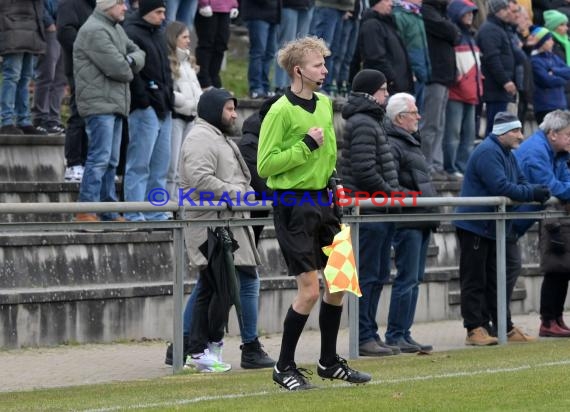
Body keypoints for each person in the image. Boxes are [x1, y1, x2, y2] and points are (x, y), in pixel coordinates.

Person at [258, 36, 371, 390]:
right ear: (298, 71)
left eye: (324, 63)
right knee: (308, 291)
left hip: (326, 203)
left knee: (339, 282)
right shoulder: (279, 110)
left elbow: (331, 153)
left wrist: (336, 184)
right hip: (293, 204)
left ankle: (328, 361)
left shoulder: (324, 103)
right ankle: (283, 367)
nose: (324, 69)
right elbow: (265, 165)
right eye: (318, 65)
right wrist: (305, 145)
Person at [178, 88, 275, 372]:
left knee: (215, 287)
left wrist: (241, 192)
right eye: (229, 109)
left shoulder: (215, 136)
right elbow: (199, 177)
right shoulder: (200, 137)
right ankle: (198, 351)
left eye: (234, 109)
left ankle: (204, 349)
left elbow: (233, 176)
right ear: (212, 110)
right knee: (215, 288)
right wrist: (235, 193)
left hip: (224, 222)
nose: (234, 114)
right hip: (210, 223)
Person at [454, 112, 550, 346]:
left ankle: (502, 326)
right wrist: (532, 193)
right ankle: (474, 329)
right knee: (474, 279)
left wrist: (529, 190)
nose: (521, 135)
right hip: (476, 225)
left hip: (491, 226)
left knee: (494, 279)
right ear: (503, 133)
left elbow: (520, 181)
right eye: (516, 131)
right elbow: (502, 186)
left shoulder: (506, 152)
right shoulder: (488, 151)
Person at [339, 69, 400, 357]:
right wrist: (391, 192)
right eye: (383, 89)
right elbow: (364, 169)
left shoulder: (370, 121)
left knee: (376, 274)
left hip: (376, 208)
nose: (386, 94)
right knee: (367, 275)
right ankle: (364, 336)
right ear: (370, 92)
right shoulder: (364, 122)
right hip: (368, 209)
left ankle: (370, 333)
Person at [73, 0, 145, 223]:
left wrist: (130, 58)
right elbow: (120, 69)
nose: (125, 8)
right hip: (98, 104)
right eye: (120, 3)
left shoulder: (115, 28)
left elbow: (139, 52)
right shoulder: (95, 30)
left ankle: (108, 210)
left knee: (112, 161)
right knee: (99, 158)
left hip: (113, 104)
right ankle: (86, 209)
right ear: (107, 6)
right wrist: (129, 61)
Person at [384, 92, 438, 353]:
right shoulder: (394, 145)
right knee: (407, 279)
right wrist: (419, 198)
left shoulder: (409, 141)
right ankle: (396, 334)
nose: (418, 117)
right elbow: (392, 187)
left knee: (415, 279)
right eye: (414, 113)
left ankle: (404, 332)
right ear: (400, 117)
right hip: (408, 220)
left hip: (421, 217)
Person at [514, 110, 570, 337]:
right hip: (512, 220)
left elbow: (564, 179)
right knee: (555, 267)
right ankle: (547, 320)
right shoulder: (536, 151)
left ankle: (555, 318)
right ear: (553, 134)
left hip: (536, 218)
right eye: (568, 135)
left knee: (562, 267)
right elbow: (549, 186)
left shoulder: (557, 151)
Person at [123, 0, 173, 222]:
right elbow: (133, 72)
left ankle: (155, 211)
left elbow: (166, 71)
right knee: (139, 164)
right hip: (145, 109)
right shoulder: (131, 33)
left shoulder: (159, 34)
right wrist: (143, 101)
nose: (163, 16)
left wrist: (169, 97)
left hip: (164, 107)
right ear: (146, 12)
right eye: (159, 12)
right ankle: (134, 211)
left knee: (160, 166)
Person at [420, 0, 461, 181]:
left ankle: (436, 164)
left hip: (444, 78)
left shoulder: (441, 12)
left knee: (440, 126)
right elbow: (452, 32)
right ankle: (425, 165)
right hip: (433, 77)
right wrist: (451, 30)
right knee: (430, 125)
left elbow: (455, 34)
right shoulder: (427, 10)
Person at [57, 0, 96, 182]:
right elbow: (65, 32)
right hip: (78, 67)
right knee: (78, 115)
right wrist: (89, 52)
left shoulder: (98, 5)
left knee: (92, 117)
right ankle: (73, 164)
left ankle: (87, 162)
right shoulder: (70, 4)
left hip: (97, 69)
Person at [443, 0, 482, 178]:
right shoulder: (454, 35)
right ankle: (450, 167)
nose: (470, 15)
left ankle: (463, 166)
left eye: (471, 12)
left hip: (471, 92)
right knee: (453, 133)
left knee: (468, 135)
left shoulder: (471, 36)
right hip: (456, 92)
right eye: (466, 12)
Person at [165, 21, 202, 207]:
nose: (189, 41)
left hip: (191, 118)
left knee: (184, 165)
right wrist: (186, 103)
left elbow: (195, 88)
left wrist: (199, 101)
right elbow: (169, 91)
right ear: (174, 38)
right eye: (184, 37)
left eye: (189, 37)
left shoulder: (189, 61)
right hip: (176, 118)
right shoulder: (169, 60)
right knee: (172, 165)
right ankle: (167, 201)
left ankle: (179, 201)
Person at [0, 0, 48, 135]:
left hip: (31, 29)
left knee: (25, 79)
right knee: (12, 77)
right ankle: (7, 121)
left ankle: (24, 120)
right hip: (13, 26)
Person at [476, 0, 518, 137]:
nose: (508, 12)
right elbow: (492, 59)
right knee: (495, 128)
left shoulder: (499, 28)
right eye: (504, 9)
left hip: (499, 88)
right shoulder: (490, 29)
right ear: (496, 11)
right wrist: (505, 81)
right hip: (494, 88)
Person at [357, 0, 414, 96]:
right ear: (376, 3)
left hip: (398, 87)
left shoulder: (388, 24)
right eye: (387, 0)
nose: (391, 4)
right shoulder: (372, 25)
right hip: (387, 89)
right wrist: (392, 79)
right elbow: (375, 58)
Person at [32, 0, 67, 135]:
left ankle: (53, 119)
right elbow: (39, 5)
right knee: (46, 75)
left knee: (60, 80)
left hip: (64, 29)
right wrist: (48, 22)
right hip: (49, 30)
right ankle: (40, 118)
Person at [392, 0, 431, 111]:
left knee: (417, 115)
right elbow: (399, 48)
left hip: (420, 74)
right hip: (410, 75)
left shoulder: (416, 14)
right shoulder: (399, 15)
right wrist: (409, 71)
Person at [529, 26, 570, 123]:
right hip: (545, 106)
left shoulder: (554, 57)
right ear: (542, 42)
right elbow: (547, 80)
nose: (552, 42)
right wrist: (563, 79)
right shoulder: (535, 60)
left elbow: (568, 72)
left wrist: (554, 71)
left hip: (560, 104)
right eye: (549, 39)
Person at [194, 0, 239, 89]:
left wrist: (234, 4)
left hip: (226, 7)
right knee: (206, 44)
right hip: (208, 6)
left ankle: (214, 78)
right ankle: (203, 80)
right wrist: (204, 3)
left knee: (221, 45)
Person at [241, 0, 280, 99]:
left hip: (273, 15)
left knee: (270, 53)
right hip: (257, 13)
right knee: (258, 52)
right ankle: (256, 88)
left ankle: (265, 87)